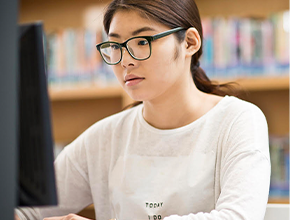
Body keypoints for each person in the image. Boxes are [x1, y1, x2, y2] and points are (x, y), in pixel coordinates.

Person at [15, 0, 271, 219]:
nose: (126, 59)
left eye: (142, 41)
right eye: (115, 46)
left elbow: (238, 216)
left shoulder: (239, 121)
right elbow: (27, 211)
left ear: (190, 42)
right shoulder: (105, 138)